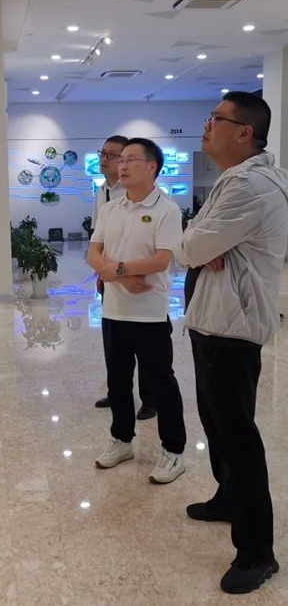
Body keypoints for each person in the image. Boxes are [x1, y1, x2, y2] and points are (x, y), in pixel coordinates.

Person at [174, 91, 288, 594]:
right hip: (215, 321)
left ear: (245, 132)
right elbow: (198, 242)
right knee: (217, 425)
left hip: (231, 327)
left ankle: (258, 554)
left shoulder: (249, 185)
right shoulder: (237, 179)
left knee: (238, 437)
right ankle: (228, 499)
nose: (206, 126)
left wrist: (199, 244)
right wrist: (200, 243)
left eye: (216, 119)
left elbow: (189, 246)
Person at [88, 138, 186, 484]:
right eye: (121, 160)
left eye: (131, 159)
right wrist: (122, 277)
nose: (122, 165)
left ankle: (174, 451)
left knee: (161, 383)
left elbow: (161, 260)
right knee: (117, 380)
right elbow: (93, 253)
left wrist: (116, 271)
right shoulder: (110, 208)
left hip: (149, 314)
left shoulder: (167, 210)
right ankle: (122, 439)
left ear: (152, 167)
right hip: (113, 311)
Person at [91, 135, 156, 420]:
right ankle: (117, 391)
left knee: (144, 342)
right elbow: (98, 240)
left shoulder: (139, 193)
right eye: (103, 153)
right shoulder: (102, 192)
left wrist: (119, 273)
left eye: (113, 155)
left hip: (139, 279)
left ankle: (150, 398)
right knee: (113, 341)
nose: (105, 159)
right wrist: (105, 274)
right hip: (111, 278)